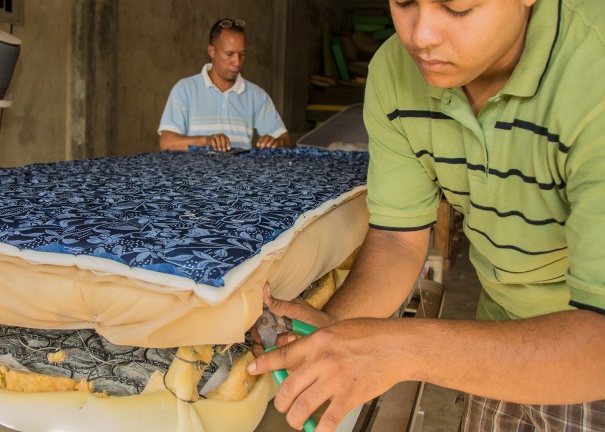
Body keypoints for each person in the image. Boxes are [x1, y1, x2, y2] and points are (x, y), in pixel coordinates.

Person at [247, 0, 605, 431]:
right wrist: (336, 327)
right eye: (404, 3)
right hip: (498, 331)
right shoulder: (396, 72)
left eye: (457, 8)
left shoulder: (593, 72)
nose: (420, 36)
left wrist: (399, 349)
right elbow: (398, 238)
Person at [158, 18, 292, 152]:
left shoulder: (256, 95)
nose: (237, 62)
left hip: (240, 173)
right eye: (229, 54)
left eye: (242, 54)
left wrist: (277, 142)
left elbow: (285, 139)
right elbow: (167, 142)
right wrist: (206, 141)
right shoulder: (185, 89)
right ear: (212, 51)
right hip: (195, 173)